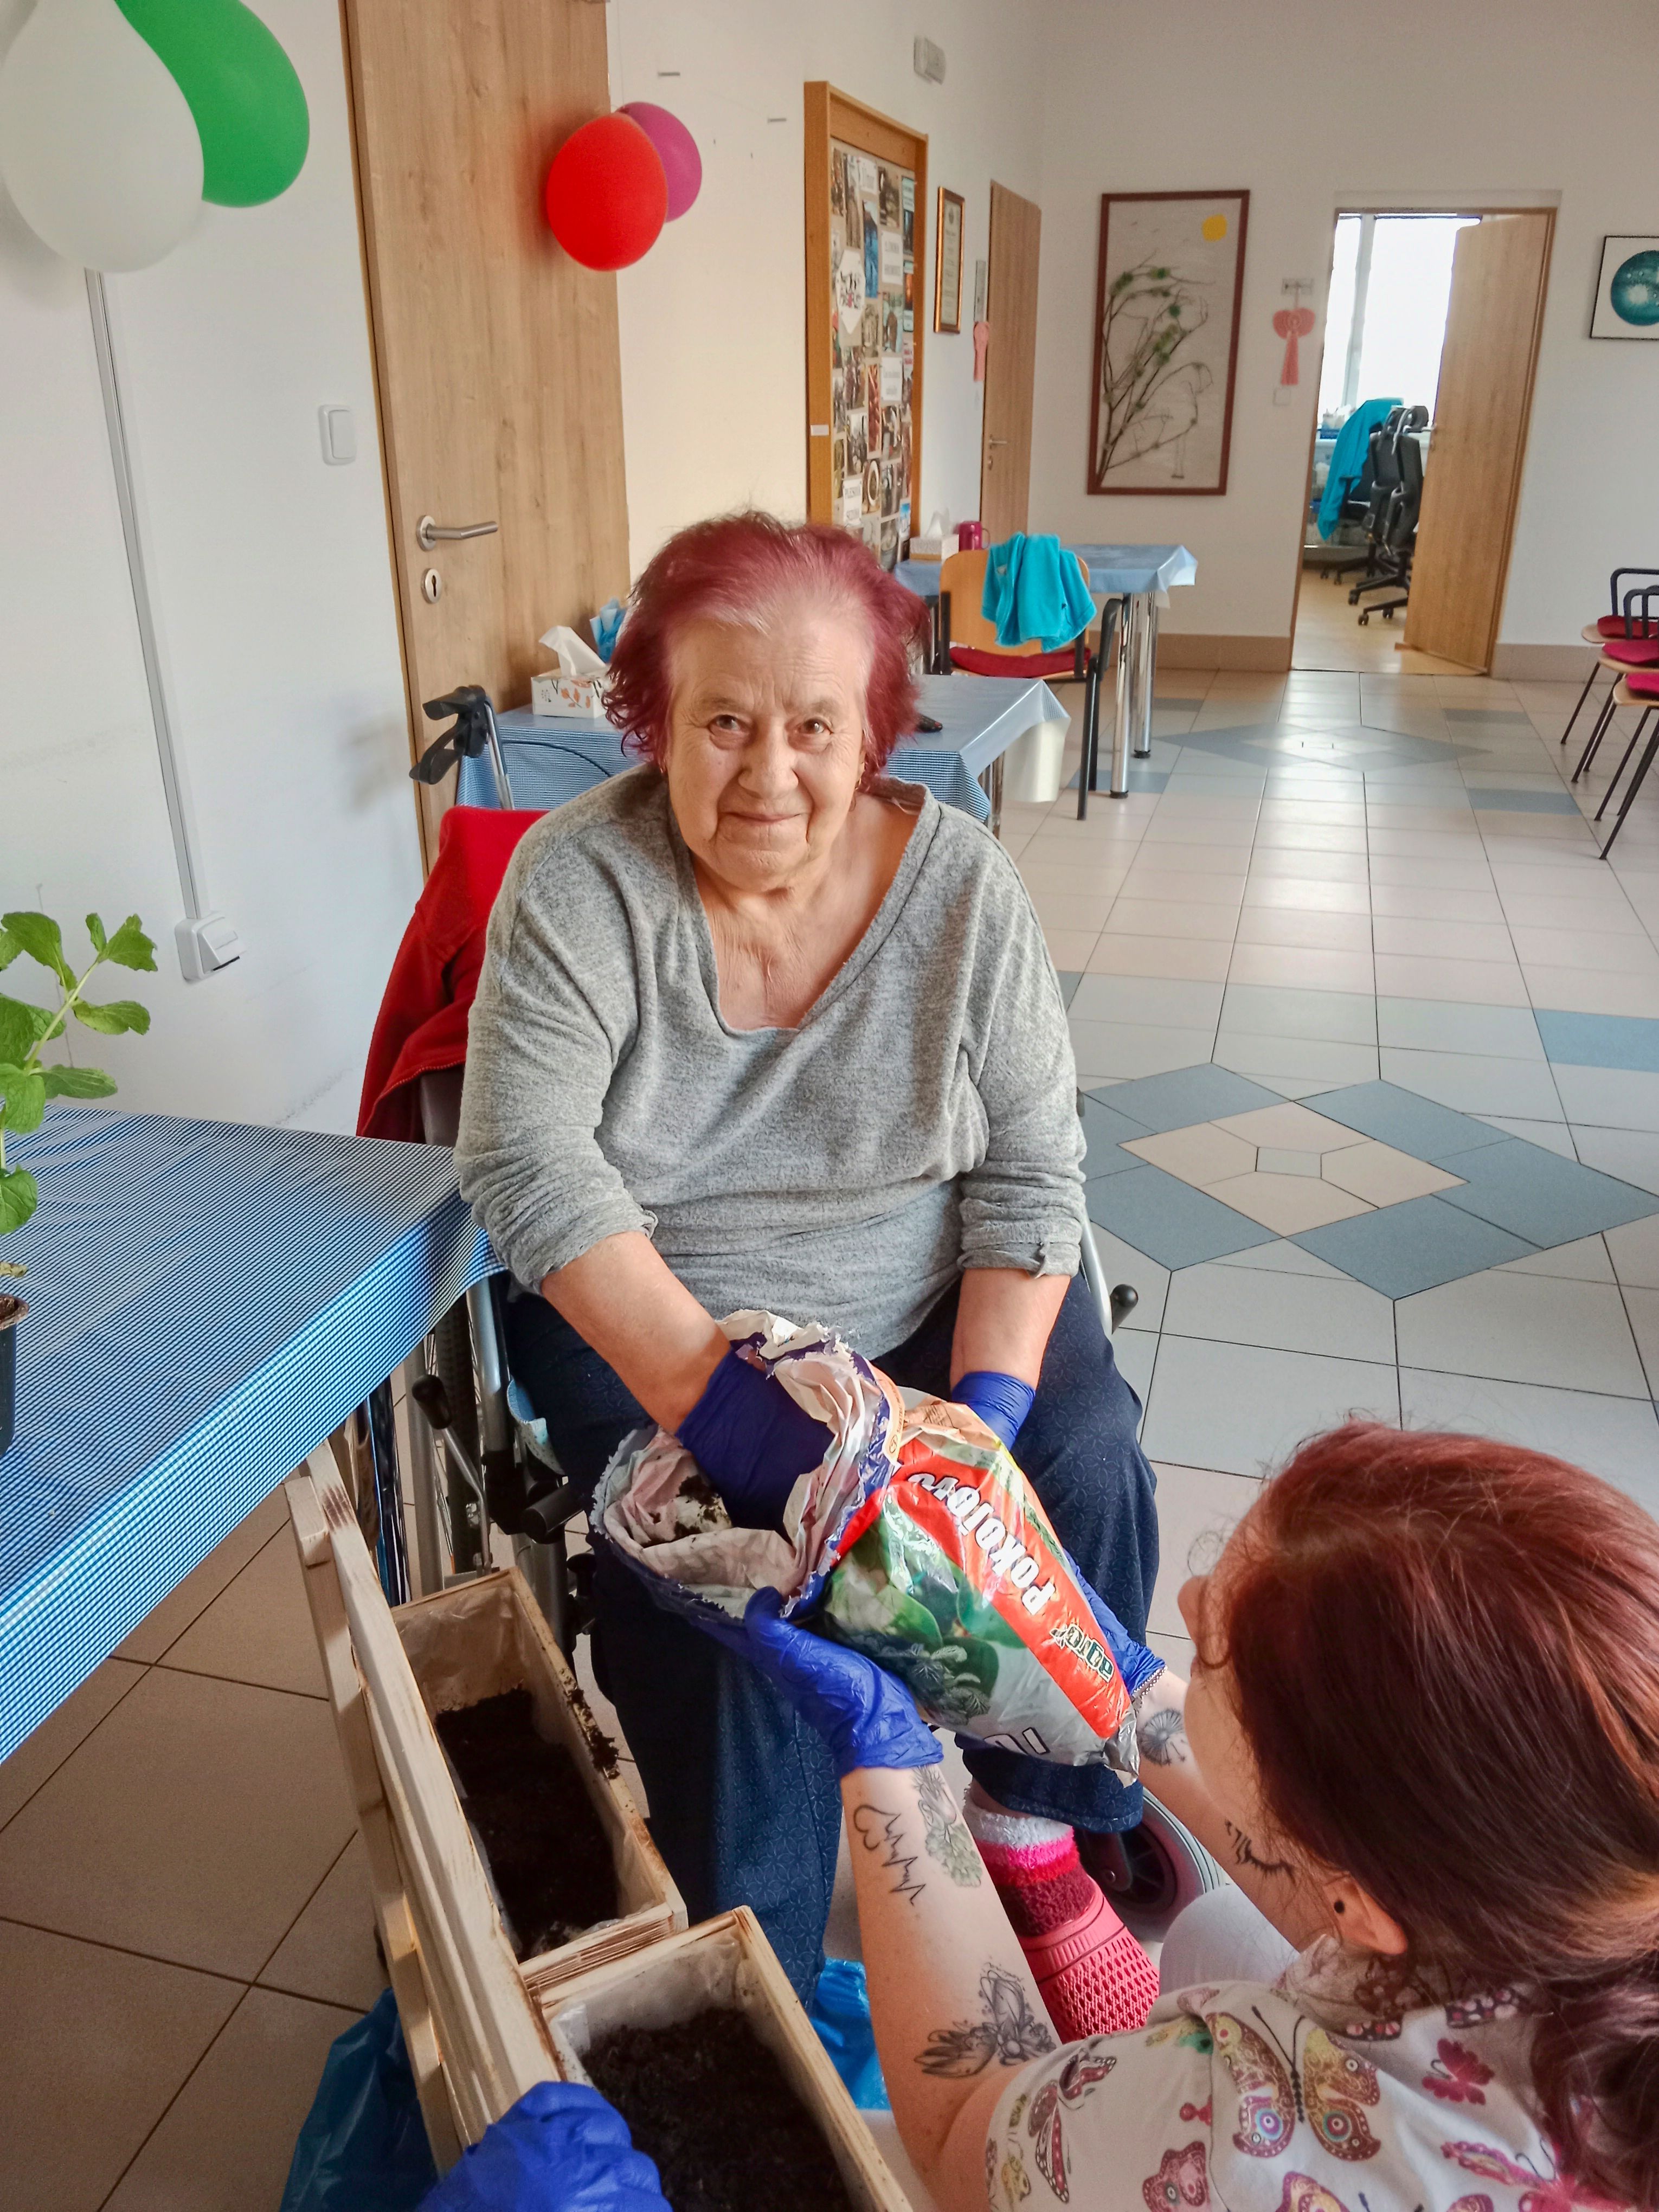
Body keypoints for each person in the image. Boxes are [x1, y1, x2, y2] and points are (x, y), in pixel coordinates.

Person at [455, 512, 1159, 2024]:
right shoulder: (580, 884)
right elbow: (527, 1163)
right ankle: (760, 1970)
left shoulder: (962, 889)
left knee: (1085, 1459)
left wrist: (976, 1434)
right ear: (651, 723)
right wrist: (743, 1426)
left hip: (915, 1294)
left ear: (874, 734)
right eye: (722, 723)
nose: (768, 774)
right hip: (672, 1317)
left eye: (813, 727)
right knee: (727, 1607)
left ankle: (1038, 1824)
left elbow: (1033, 1171)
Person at [425, 1422, 1659, 2212]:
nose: (1186, 1595)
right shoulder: (1595, 1880)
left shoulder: (1254, 2138)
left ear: (1360, 1897)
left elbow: (966, 2137)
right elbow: (1333, 1889)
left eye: (1212, 1647)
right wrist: (1115, 1688)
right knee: (1215, 1938)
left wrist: (894, 1764)